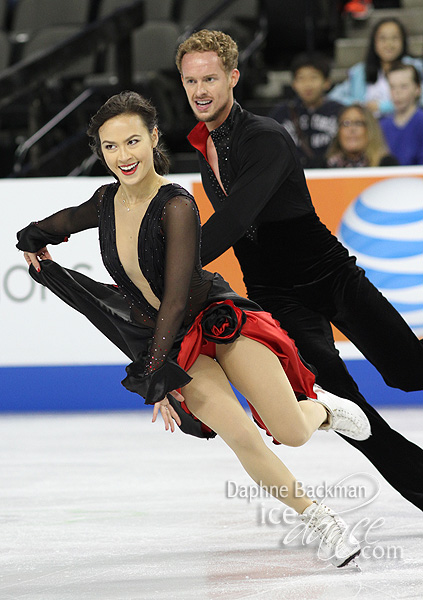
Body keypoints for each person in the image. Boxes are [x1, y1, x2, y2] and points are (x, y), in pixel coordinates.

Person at [16, 91, 372, 568]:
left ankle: (320, 409)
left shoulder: (176, 205)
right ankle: (319, 518)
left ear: (154, 137)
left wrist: (155, 370)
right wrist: (32, 240)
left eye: (133, 141)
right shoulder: (104, 202)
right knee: (241, 435)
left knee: (291, 433)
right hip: (176, 344)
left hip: (215, 321)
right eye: (111, 147)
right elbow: (51, 225)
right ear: (99, 152)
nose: (124, 156)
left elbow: (178, 297)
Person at [175, 29, 423, 512]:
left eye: (209, 78)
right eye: (190, 81)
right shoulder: (204, 148)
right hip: (277, 295)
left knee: (409, 372)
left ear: (233, 77)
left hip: (329, 275)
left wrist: (167, 265)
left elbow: (235, 218)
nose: (200, 90)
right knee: (346, 405)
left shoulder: (266, 136)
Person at [328, 17, 423, 116]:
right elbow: (333, 97)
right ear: (374, 42)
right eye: (382, 38)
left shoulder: (415, 67)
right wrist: (360, 106)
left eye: (395, 38)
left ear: (403, 41)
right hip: (368, 127)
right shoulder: (360, 71)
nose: (389, 44)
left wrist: (383, 107)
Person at [269, 52, 343, 169]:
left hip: (331, 175)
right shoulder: (281, 113)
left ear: (327, 82)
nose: (307, 85)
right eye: (301, 78)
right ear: (294, 84)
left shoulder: (340, 111)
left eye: (314, 77)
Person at [326, 103, 398, 167]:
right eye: (346, 123)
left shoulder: (386, 165)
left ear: (370, 129)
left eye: (358, 123)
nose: (351, 129)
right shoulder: (324, 166)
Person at [380, 62, 423, 166]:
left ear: (417, 89)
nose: (397, 92)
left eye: (404, 86)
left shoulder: (420, 122)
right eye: (392, 87)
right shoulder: (381, 125)